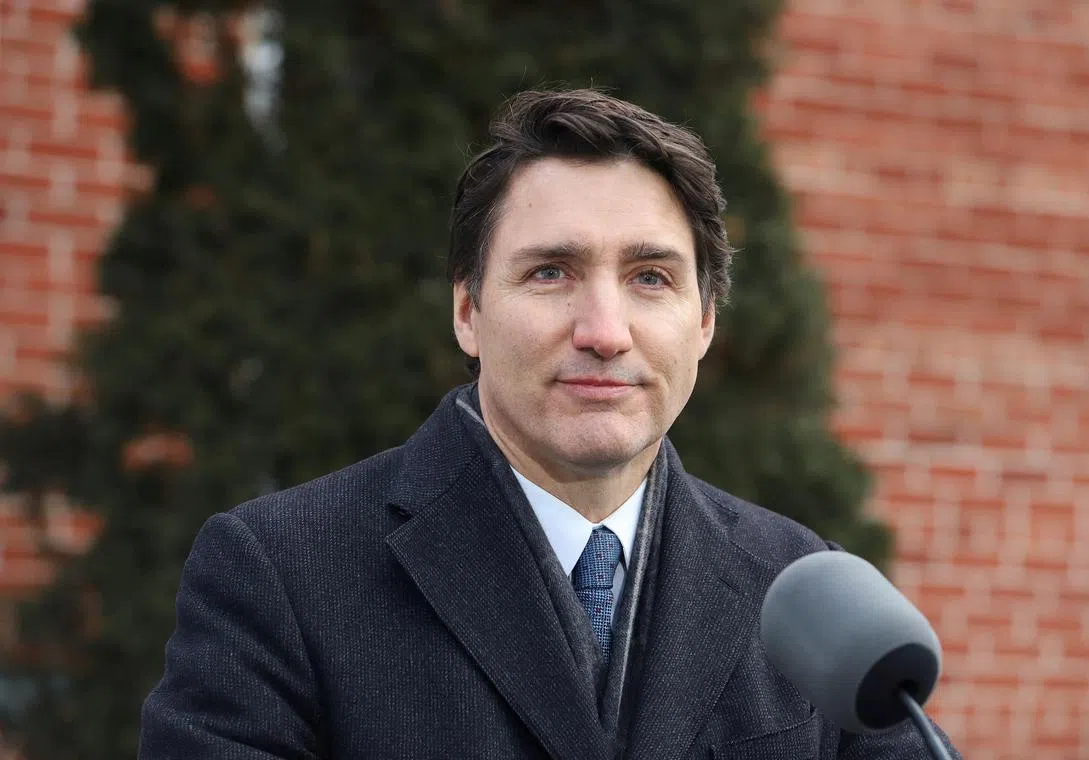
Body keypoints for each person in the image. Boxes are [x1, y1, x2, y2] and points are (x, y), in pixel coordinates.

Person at [139, 88, 960, 759]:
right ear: (468, 310)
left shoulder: (805, 593)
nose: (604, 330)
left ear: (705, 321)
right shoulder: (280, 574)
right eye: (550, 272)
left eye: (649, 277)